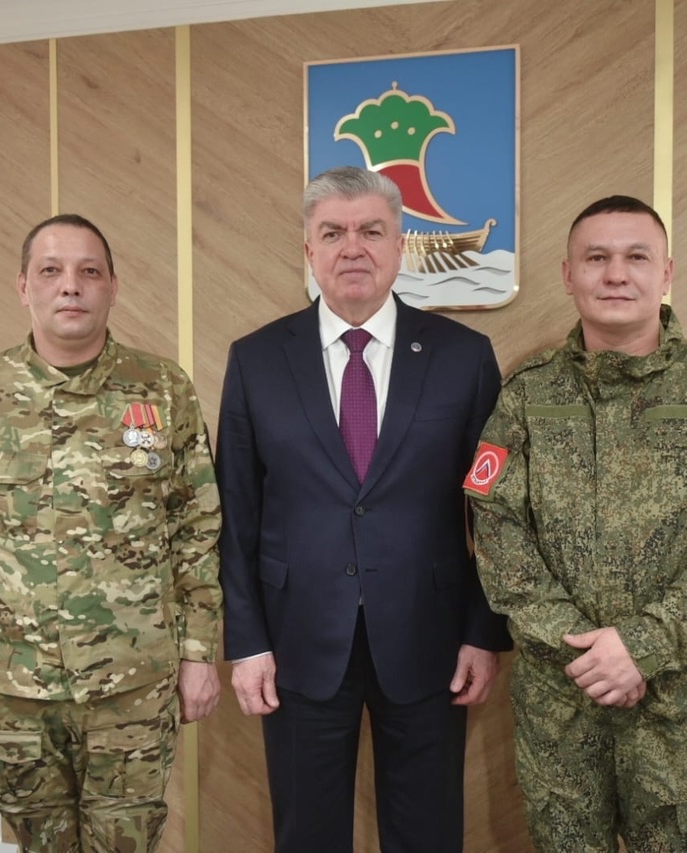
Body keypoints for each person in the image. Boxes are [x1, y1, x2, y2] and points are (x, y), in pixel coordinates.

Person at [466, 195, 687, 851]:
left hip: (680, 708)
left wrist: (642, 645)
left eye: (636, 257)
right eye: (597, 258)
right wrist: (585, 651)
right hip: (561, 702)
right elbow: (494, 523)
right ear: (568, 275)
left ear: (665, 273)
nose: (616, 274)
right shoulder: (527, 391)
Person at [0, 213, 222, 853]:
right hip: (9, 691)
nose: (70, 285)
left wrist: (197, 655)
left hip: (134, 687)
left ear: (112, 288)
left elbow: (198, 529)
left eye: (88, 272)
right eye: (51, 270)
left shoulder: (163, 391)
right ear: (24, 286)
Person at [215, 166, 512, 853]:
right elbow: (237, 513)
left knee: (428, 834)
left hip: (431, 640)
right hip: (295, 642)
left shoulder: (464, 358)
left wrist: (482, 631)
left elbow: (495, 512)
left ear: (400, 244)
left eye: (371, 231)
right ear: (308, 250)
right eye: (333, 233)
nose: (352, 247)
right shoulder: (256, 360)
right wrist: (248, 642)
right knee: (308, 836)